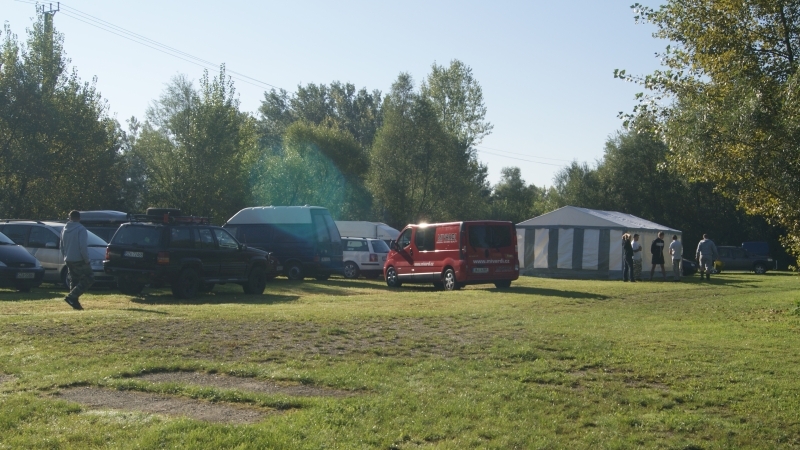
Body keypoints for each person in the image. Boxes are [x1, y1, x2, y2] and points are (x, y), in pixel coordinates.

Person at [61, 210, 93, 310]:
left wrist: (65, 257)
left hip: (68, 258)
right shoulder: (81, 229)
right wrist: (86, 259)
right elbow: (82, 246)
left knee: (74, 280)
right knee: (89, 278)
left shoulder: (64, 229)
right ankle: (72, 297)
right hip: (79, 259)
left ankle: (74, 303)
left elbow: (61, 245)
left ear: (69, 218)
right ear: (79, 218)